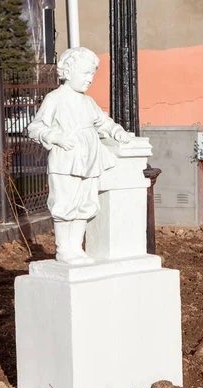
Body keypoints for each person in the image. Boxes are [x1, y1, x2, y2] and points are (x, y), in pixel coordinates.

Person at [28, 47, 130, 264]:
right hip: (66, 160)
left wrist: (116, 131)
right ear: (68, 71)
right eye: (85, 74)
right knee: (65, 203)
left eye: (92, 74)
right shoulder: (55, 99)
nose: (90, 79)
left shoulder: (87, 102)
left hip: (90, 160)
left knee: (86, 203)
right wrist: (56, 137)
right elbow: (35, 128)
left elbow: (102, 122)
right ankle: (64, 248)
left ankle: (76, 247)